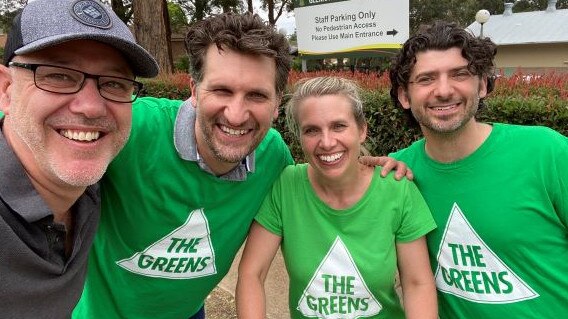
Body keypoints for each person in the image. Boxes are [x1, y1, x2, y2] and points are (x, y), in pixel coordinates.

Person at [73, 13, 408, 319]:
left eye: (256, 96)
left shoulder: (274, 156)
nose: (236, 114)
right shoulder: (134, 127)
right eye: (222, 90)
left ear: (278, 103)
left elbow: (321, 183)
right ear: (194, 90)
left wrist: (366, 163)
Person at [388, 21, 568, 318]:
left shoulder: (547, 153)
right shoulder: (397, 174)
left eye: (459, 74)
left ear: (482, 84)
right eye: (426, 79)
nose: (443, 91)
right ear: (404, 96)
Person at [0, 0, 159, 317]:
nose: (91, 107)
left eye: (114, 83)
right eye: (58, 75)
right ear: (5, 89)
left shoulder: (90, 189)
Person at [236, 77, 437, 319]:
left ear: (362, 130)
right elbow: (252, 274)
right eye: (311, 130)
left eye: (339, 126)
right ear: (299, 137)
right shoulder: (286, 186)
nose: (327, 142)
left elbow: (417, 284)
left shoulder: (397, 190)